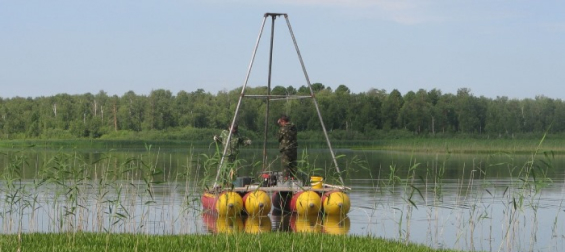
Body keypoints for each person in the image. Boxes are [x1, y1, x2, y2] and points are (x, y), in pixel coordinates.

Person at [277, 115, 298, 181]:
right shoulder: (294, 128)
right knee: (293, 165)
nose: (280, 123)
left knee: (285, 166)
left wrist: (279, 125)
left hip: (286, 150)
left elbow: (278, 138)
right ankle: (293, 179)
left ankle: (285, 180)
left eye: (281, 122)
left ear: (283, 121)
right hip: (294, 149)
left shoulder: (283, 129)